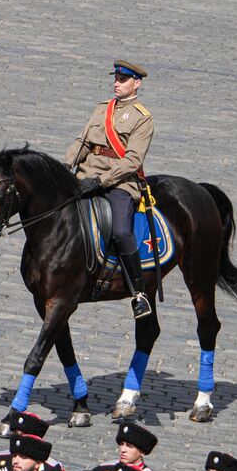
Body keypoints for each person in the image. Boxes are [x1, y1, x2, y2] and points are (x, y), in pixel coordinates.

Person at [64, 60, 155, 318]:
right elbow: (82, 142)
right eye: (116, 78)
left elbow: (132, 160)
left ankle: (139, 293)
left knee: (120, 231)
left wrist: (102, 181)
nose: (117, 83)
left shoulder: (142, 118)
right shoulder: (101, 109)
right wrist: (64, 166)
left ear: (136, 83)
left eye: (123, 79)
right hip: (86, 175)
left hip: (120, 182)